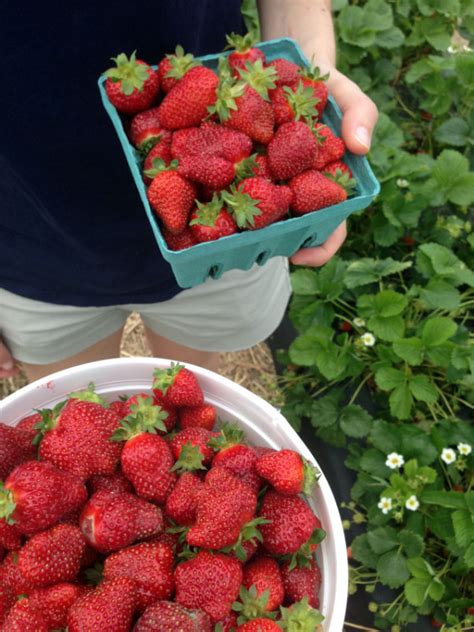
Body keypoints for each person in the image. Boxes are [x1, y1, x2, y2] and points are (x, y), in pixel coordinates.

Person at [0, 0, 378, 383]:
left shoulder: (233, 157)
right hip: (26, 239)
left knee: (190, 383)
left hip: (222, 238)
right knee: (79, 402)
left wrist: (309, 65)